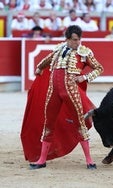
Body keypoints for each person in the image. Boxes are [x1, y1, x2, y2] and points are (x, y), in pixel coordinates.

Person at [21, 25, 104, 170]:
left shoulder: (84, 52)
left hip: (71, 91)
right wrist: (39, 68)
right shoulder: (58, 49)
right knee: (49, 124)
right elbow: (46, 60)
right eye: (74, 40)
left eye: (79, 39)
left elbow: (99, 68)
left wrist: (84, 77)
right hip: (53, 91)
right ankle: (42, 160)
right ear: (67, 39)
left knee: (80, 123)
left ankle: (89, 160)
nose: (77, 43)